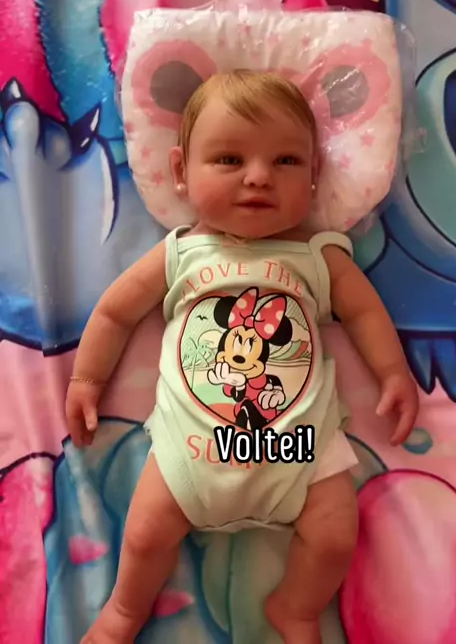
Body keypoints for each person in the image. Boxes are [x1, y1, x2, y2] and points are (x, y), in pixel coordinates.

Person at [66, 70, 419, 644]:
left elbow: (364, 314)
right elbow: (113, 313)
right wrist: (86, 379)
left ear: (314, 174)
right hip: (190, 455)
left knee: (334, 537)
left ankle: (296, 608)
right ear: (181, 171)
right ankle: (124, 612)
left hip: (301, 455)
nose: (258, 176)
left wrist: (393, 373)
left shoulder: (317, 257)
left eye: (286, 161)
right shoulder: (181, 254)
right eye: (229, 159)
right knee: (146, 535)